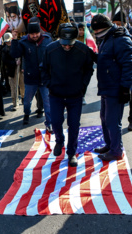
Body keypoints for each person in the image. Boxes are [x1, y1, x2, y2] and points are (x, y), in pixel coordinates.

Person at [43, 23, 94, 167]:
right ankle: (59, 140)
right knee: (56, 122)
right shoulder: (50, 50)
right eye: (64, 44)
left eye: (69, 45)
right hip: (56, 95)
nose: (67, 47)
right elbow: (43, 69)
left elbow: (89, 69)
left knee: (74, 125)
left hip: (75, 96)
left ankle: (71, 152)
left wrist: (83, 86)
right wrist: (49, 84)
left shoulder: (83, 50)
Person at [91, 14, 132, 161]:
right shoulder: (107, 38)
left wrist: (125, 88)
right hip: (106, 86)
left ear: (107, 27)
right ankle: (110, 145)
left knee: (112, 120)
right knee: (104, 118)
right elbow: (107, 59)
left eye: (98, 31)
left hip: (116, 88)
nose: (96, 34)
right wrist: (94, 57)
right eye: (95, 32)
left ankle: (116, 150)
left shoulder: (121, 39)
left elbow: (129, 65)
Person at [11, 21, 53, 132]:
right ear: (28, 33)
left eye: (36, 33)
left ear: (40, 32)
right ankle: (26, 114)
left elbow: (52, 56)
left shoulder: (48, 40)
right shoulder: (23, 42)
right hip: (30, 78)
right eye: (32, 34)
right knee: (27, 101)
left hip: (44, 78)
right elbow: (15, 54)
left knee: (48, 102)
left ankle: (49, 123)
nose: (34, 36)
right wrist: (14, 40)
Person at [1, 32, 20, 111]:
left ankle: (22, 97)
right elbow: (4, 61)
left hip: (20, 69)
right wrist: (14, 62)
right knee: (13, 86)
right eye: (6, 41)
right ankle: (15, 103)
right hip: (11, 70)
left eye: (9, 41)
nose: (8, 42)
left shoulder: (18, 45)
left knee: (22, 86)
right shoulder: (4, 50)